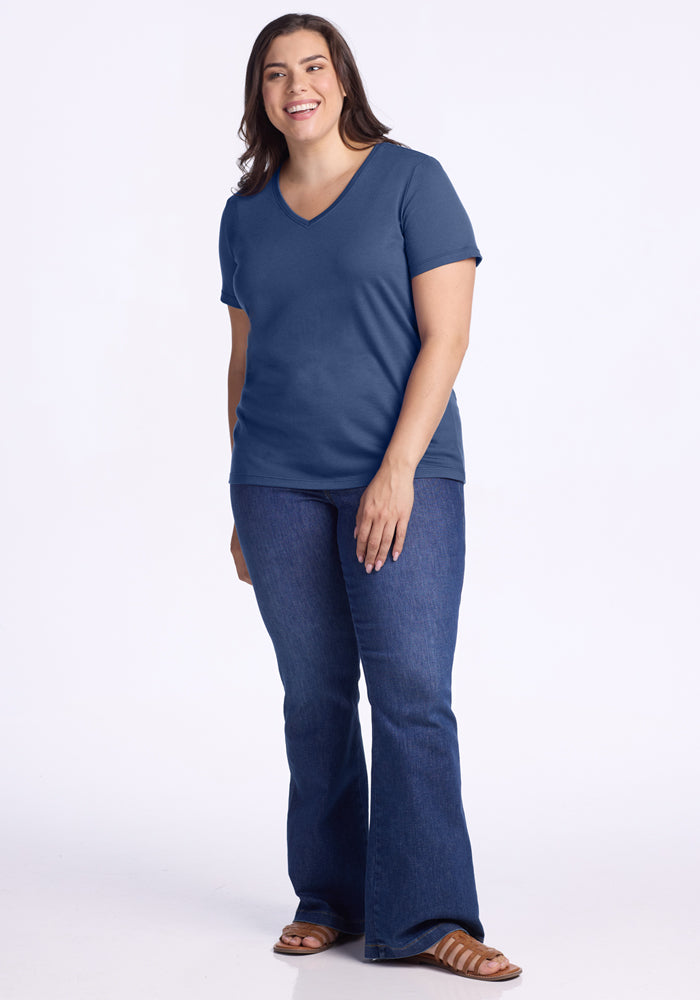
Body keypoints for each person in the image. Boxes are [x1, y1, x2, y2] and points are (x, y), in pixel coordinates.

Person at [218, 12, 522, 983]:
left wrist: (395, 470)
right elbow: (244, 358)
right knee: (313, 699)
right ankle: (331, 898)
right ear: (261, 96)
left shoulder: (413, 182)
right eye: (276, 73)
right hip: (275, 483)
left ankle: (427, 915)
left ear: (342, 79)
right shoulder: (244, 212)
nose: (296, 86)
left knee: (412, 696)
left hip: (403, 474)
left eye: (312, 66)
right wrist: (239, 495)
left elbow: (448, 337)